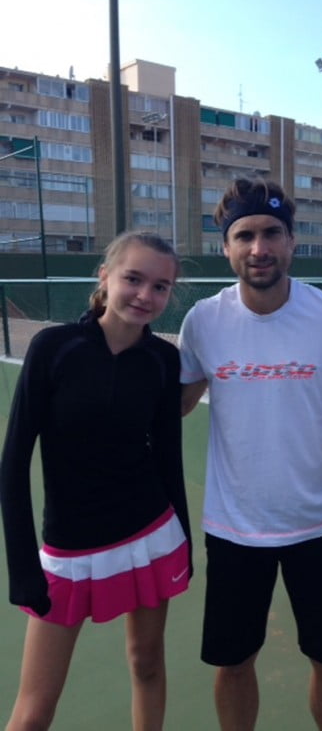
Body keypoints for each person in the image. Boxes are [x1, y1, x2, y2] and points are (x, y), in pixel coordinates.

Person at [178, 177, 322, 731]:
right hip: (235, 527)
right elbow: (179, 404)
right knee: (233, 661)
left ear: (291, 242)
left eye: (271, 234)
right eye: (245, 236)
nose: (258, 248)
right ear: (226, 247)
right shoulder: (202, 322)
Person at [0, 230, 192, 731]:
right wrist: (22, 570)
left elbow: (168, 456)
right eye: (134, 279)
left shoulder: (162, 359)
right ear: (105, 277)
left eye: (161, 286)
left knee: (146, 665)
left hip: (150, 538)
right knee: (34, 710)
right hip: (68, 551)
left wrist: (185, 543)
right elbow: (14, 461)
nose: (146, 295)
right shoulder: (53, 348)